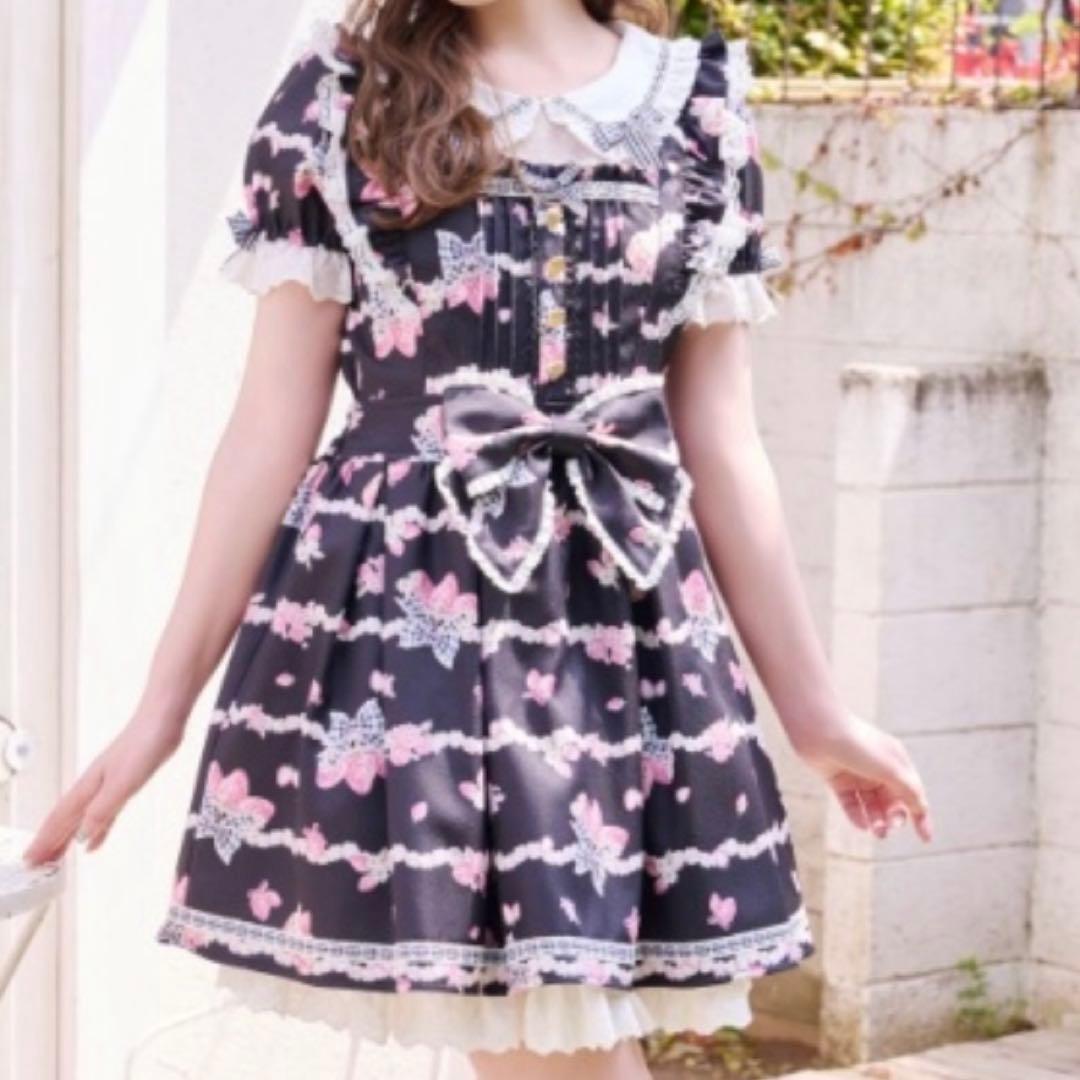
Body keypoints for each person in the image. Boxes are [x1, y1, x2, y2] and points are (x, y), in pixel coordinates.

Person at [22, 1, 933, 1077]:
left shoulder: (698, 109)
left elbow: (723, 441)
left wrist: (815, 712)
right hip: (416, 638)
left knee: (569, 1045)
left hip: (622, 635)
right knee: (547, 1047)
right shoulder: (341, 97)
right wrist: (161, 707)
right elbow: (269, 423)